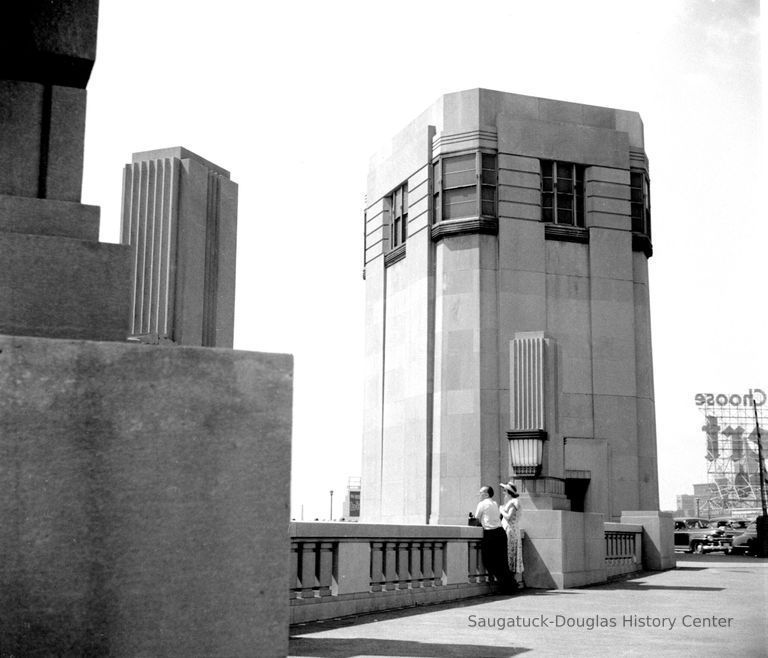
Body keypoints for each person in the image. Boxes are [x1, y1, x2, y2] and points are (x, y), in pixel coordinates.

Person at [474, 485, 512, 590]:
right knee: (502, 561)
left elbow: (476, 518)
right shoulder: (495, 503)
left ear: (486, 494)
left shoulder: (481, 504)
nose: (479, 494)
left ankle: (503, 586)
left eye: (481, 492)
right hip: (501, 532)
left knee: (488, 560)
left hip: (490, 534)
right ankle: (509, 586)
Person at [499, 480, 523, 587]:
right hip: (512, 529)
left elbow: (509, 516)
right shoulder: (512, 502)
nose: (503, 493)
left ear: (508, 492)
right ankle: (511, 580)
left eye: (505, 491)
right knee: (511, 553)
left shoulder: (514, 502)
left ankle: (510, 581)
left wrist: (501, 510)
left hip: (511, 530)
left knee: (510, 552)